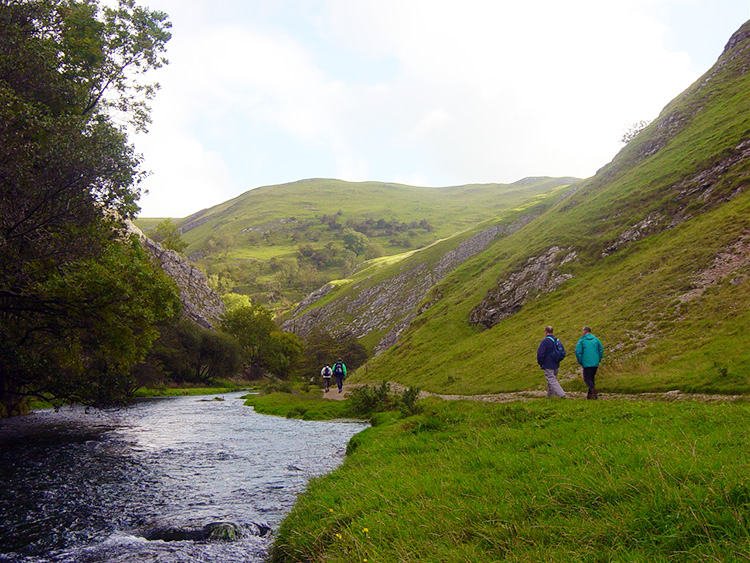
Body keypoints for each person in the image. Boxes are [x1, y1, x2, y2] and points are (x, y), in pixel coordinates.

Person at [536, 325, 566, 398]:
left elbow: (540, 353)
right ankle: (550, 396)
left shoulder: (545, 341)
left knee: (552, 380)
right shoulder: (556, 340)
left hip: (548, 364)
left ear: (546, 332)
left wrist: (540, 362)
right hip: (556, 363)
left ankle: (562, 395)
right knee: (551, 380)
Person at [575, 326, 604, 400]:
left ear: (584, 331)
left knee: (586, 378)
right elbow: (601, 350)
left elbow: (578, 352)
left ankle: (593, 389)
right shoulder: (596, 340)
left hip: (586, 362)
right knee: (591, 378)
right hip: (595, 362)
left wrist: (580, 361)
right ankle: (590, 395)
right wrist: (599, 358)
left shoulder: (582, 340)